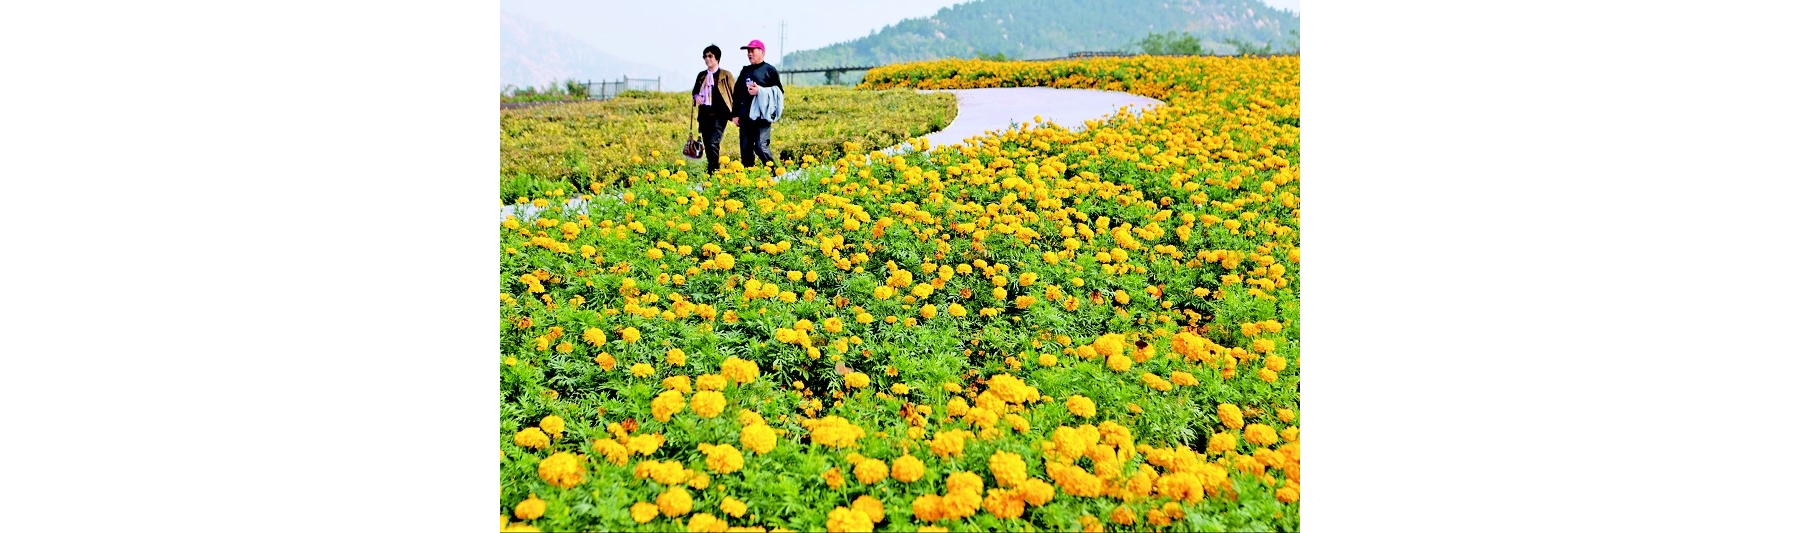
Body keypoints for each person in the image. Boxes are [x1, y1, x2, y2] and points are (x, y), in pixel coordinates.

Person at [731, 39, 783, 170]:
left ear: (762, 52)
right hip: (745, 116)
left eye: (752, 51)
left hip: (762, 117)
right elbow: (737, 93)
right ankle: (748, 177)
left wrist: (760, 91)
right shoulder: (745, 71)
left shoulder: (770, 70)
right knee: (745, 149)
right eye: (748, 51)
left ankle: (776, 174)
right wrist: (735, 114)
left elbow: (778, 93)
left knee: (761, 146)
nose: (749, 54)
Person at [691, 44, 735, 174]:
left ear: (717, 58)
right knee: (708, 146)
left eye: (710, 56)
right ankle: (712, 171)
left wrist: (737, 113)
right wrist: (697, 97)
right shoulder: (701, 75)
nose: (707, 59)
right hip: (704, 116)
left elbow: (735, 94)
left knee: (713, 143)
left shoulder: (726, 75)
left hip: (720, 116)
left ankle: (714, 172)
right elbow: (695, 91)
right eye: (705, 56)